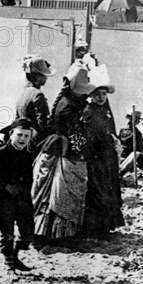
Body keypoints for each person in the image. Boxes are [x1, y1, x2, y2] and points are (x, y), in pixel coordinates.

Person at [32, 64, 95, 244]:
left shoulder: (64, 101)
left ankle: (43, 231)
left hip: (54, 148)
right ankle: (58, 235)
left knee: (48, 196)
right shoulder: (70, 107)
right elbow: (76, 138)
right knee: (61, 196)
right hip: (65, 153)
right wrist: (87, 149)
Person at [0, 118, 36, 271]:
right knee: (7, 233)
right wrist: (6, 186)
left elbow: (29, 176)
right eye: (20, 135)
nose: (23, 139)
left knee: (28, 232)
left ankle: (14, 255)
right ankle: (9, 264)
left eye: (27, 136)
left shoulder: (27, 154)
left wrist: (25, 191)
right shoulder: (2, 152)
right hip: (4, 198)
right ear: (11, 134)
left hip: (22, 199)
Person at [82, 67, 124, 239]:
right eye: (97, 94)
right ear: (91, 95)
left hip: (107, 159)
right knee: (97, 193)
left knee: (109, 190)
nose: (101, 97)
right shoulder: (88, 112)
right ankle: (95, 231)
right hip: (96, 159)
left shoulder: (105, 111)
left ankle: (106, 227)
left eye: (104, 94)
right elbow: (89, 138)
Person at [15, 54, 55, 143]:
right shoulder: (37, 95)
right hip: (35, 143)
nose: (46, 78)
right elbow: (43, 126)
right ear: (37, 76)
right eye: (44, 75)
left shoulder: (23, 93)